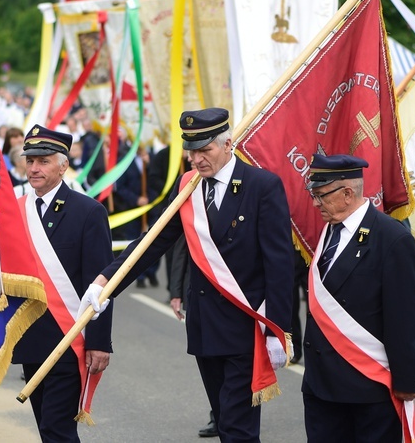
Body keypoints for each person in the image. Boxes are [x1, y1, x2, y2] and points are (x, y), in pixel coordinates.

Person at [80, 107, 294, 442]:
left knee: (238, 427)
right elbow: (152, 242)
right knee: (224, 421)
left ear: (228, 144)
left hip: (246, 325)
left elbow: (279, 264)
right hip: (205, 324)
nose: (196, 159)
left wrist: (278, 329)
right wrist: (106, 281)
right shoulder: (188, 186)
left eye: (204, 150)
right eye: (191, 151)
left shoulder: (261, 186)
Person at [301, 154, 415, 443]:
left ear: (346, 193)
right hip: (321, 384)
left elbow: (403, 318)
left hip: (368, 385)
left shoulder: (391, 238)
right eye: (313, 195)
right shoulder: (328, 231)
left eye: (321, 195)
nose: (315, 203)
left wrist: (407, 380)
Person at [12, 125, 114, 443]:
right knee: (47, 427)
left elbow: (101, 284)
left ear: (63, 165)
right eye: (29, 161)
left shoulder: (88, 212)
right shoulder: (16, 212)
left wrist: (99, 342)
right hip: (30, 339)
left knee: (58, 430)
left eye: (42, 161)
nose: (33, 168)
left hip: (69, 341)